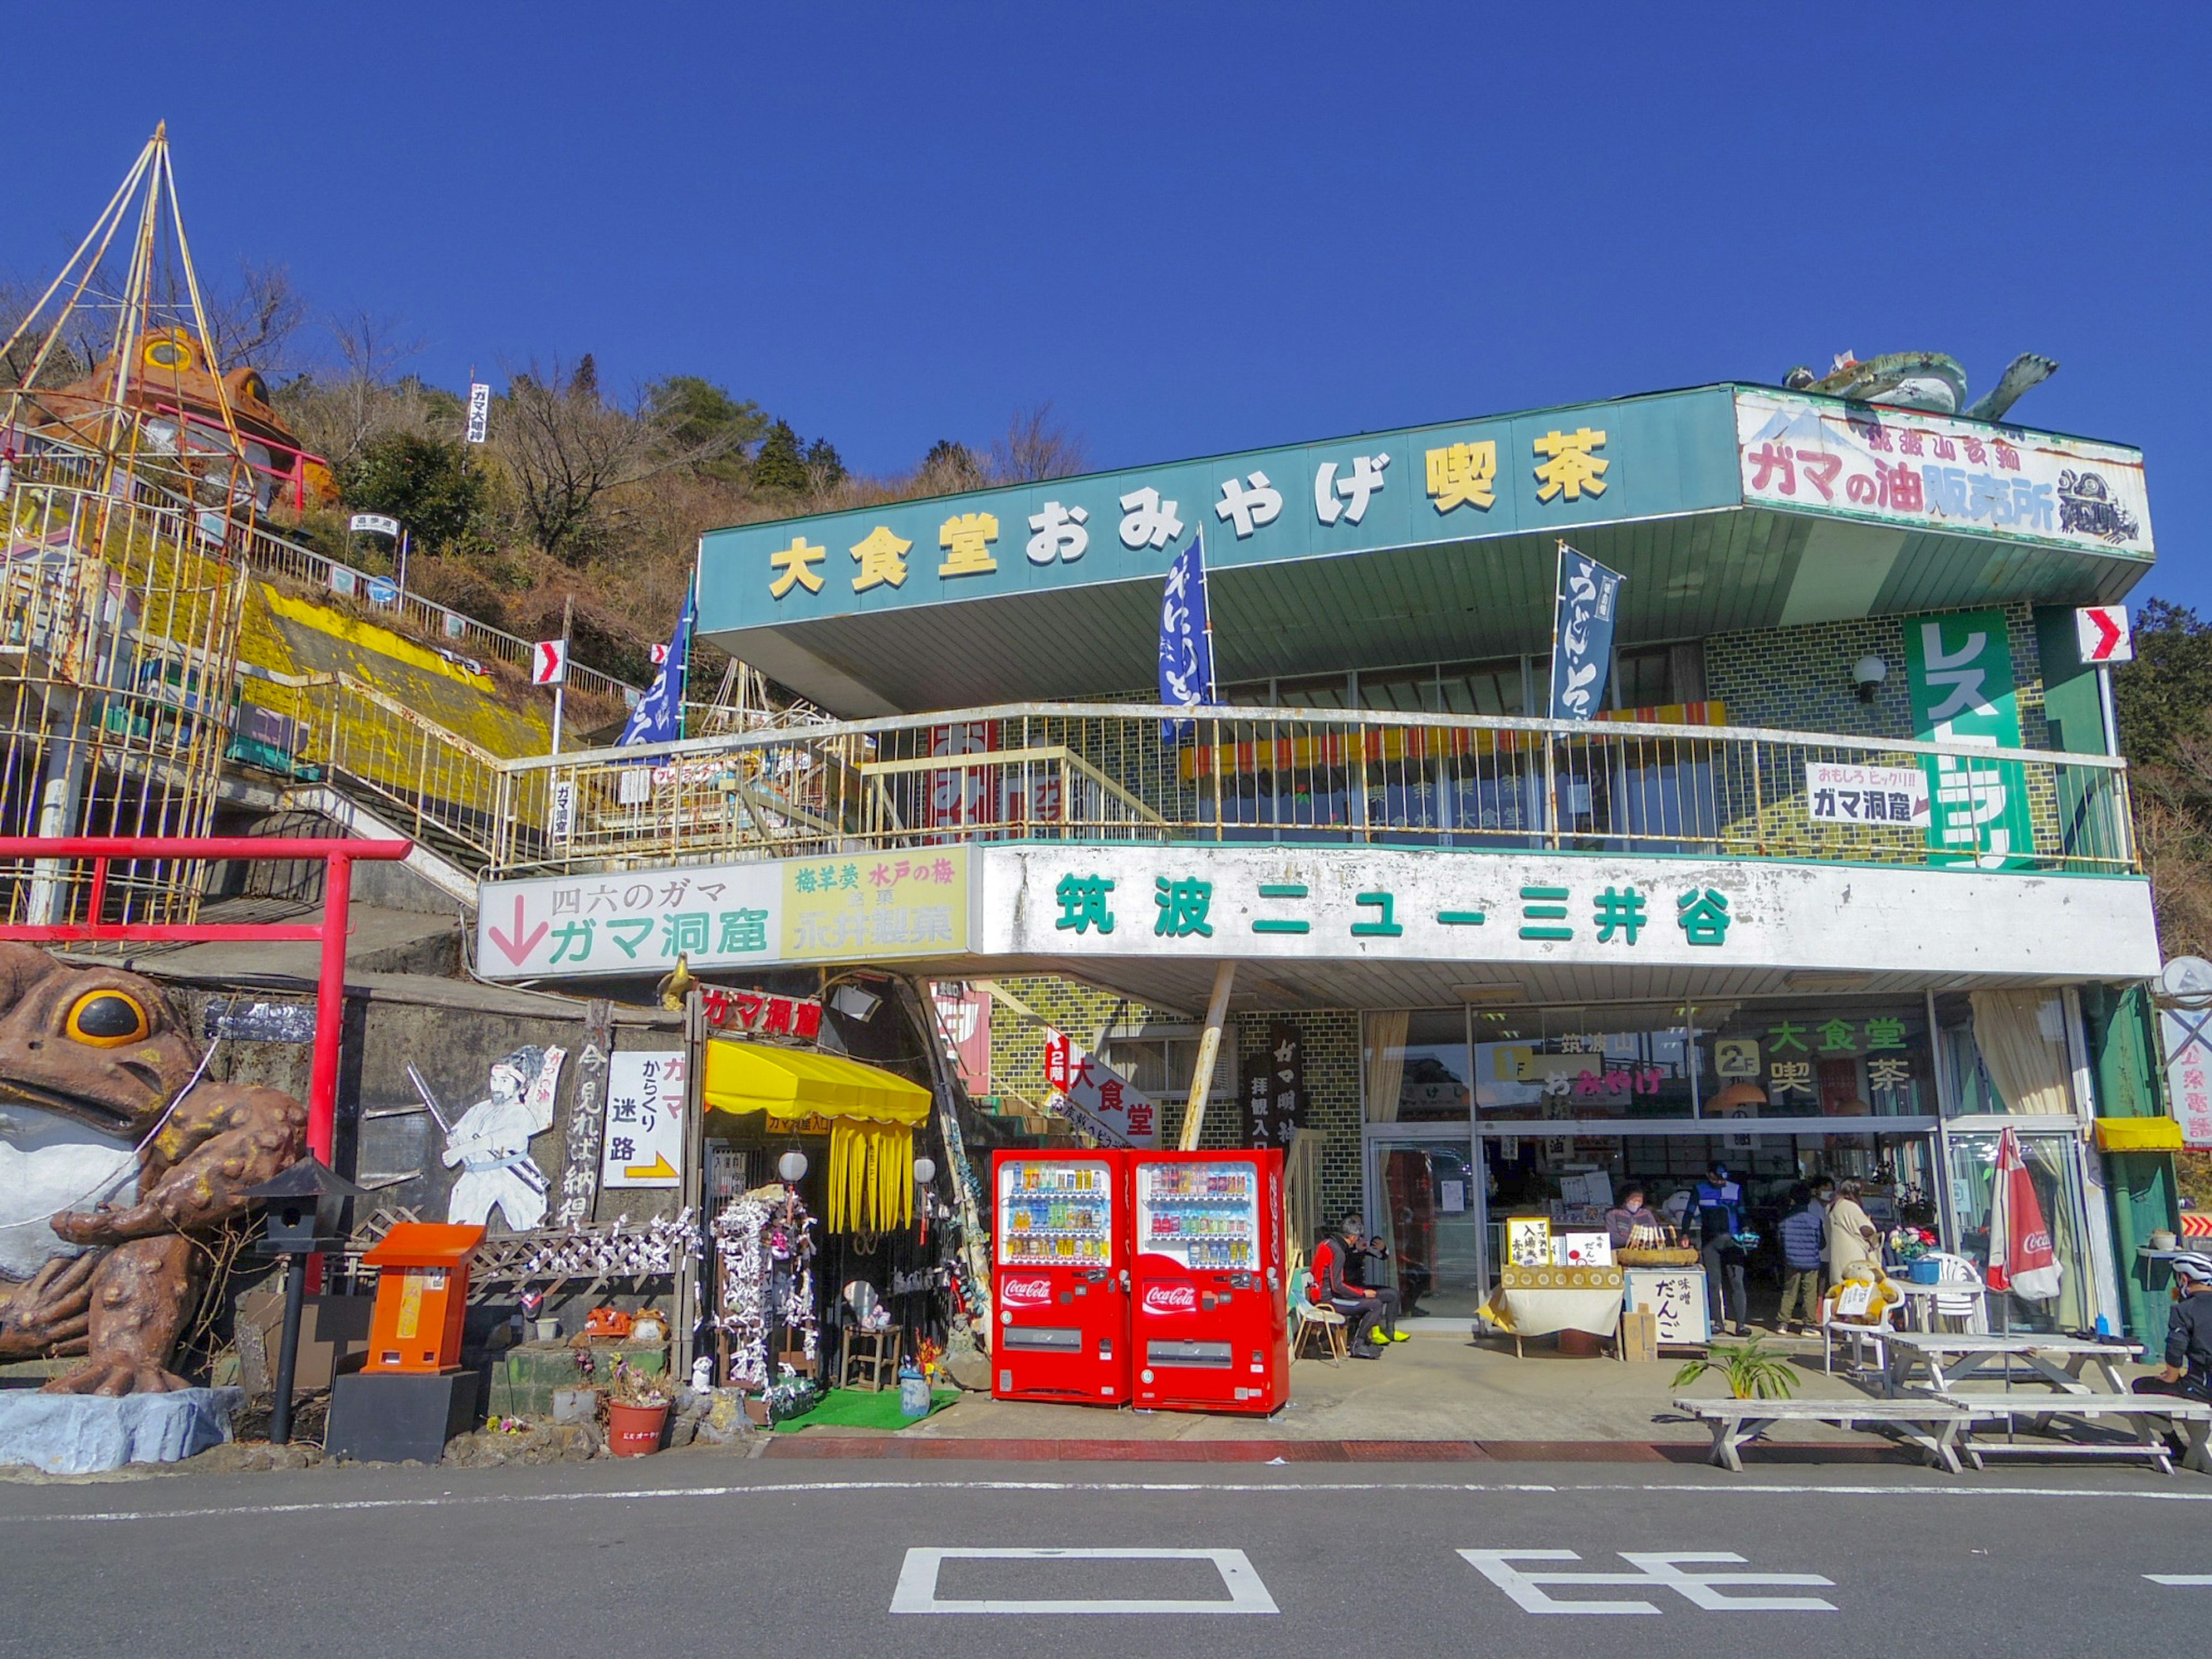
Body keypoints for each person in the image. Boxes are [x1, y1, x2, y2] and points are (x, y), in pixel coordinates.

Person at [442, 1046, 560, 1232]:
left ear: (522, 1087)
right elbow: (459, 1132)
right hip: (476, 1174)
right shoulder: (479, 1109)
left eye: (504, 1081)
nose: (497, 1086)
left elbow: (494, 1140)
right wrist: (455, 1142)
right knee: (461, 1231)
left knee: (528, 1231)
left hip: (514, 1173)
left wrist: (461, 1151)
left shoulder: (521, 1113)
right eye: (494, 1079)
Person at [2133, 1251, 2212, 1402]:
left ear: (2184, 1279)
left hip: (2203, 1388)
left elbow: (2176, 1348)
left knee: (2141, 1386)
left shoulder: (2183, 1310)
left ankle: (2179, 1427)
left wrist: (2171, 1376)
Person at [1309, 1223, 1389, 1357]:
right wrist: (1363, 1293)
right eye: (1358, 1238)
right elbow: (1338, 1286)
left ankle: (1362, 1341)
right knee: (1375, 1304)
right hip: (1329, 1300)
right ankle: (1358, 1345)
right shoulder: (1338, 1252)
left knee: (1362, 1301)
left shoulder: (1326, 1244)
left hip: (1319, 1294)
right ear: (1352, 1238)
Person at [1694, 1162, 1750, 1337]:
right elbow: (1689, 1212)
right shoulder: (1699, 1189)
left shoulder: (1735, 1189)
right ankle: (1717, 1322)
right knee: (1713, 1283)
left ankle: (1741, 1325)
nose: (1720, 1183)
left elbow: (1742, 1212)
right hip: (1710, 1242)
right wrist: (1686, 1234)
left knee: (1737, 1282)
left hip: (1734, 1241)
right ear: (1709, 1175)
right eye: (1716, 1179)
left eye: (1723, 1179)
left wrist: (1747, 1229)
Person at [1776, 1184, 1826, 1334]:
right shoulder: (1815, 1220)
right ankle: (1808, 1326)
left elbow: (1780, 1241)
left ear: (1792, 1199)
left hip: (1791, 1260)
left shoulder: (1785, 1220)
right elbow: (1822, 1244)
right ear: (1809, 1200)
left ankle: (1783, 1324)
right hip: (1811, 1262)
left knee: (1789, 1292)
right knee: (1810, 1293)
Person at [1825, 1178, 1882, 1280]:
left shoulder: (1832, 1206)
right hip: (1855, 1261)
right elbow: (1866, 1229)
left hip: (1838, 1259)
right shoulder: (1850, 1207)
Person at [1606, 1186, 1665, 1250]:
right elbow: (1613, 1236)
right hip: (1622, 1251)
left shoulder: (1646, 1213)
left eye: (1640, 1201)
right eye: (1634, 1201)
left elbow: (1655, 1232)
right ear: (1625, 1199)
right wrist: (1629, 1241)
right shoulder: (1613, 1214)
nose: (1637, 1204)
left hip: (1646, 1251)